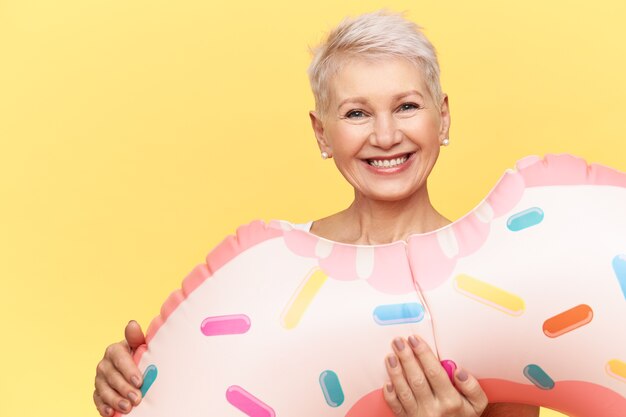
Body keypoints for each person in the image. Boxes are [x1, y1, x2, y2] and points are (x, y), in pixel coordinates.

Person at [93, 10, 539, 417]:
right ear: (322, 133)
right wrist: (136, 381)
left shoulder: (497, 286)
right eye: (356, 113)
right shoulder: (268, 271)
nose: (385, 136)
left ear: (441, 118)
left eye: (406, 106)